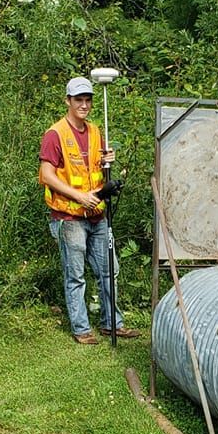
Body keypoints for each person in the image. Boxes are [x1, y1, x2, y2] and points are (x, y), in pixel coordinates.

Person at [39, 75, 139, 343]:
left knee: (110, 270)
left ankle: (112, 324)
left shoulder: (95, 131)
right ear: (68, 101)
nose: (84, 105)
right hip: (69, 216)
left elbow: (95, 169)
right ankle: (81, 329)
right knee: (76, 276)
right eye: (78, 100)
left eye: (88, 100)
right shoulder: (55, 134)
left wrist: (108, 161)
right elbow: (46, 174)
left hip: (97, 214)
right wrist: (79, 197)